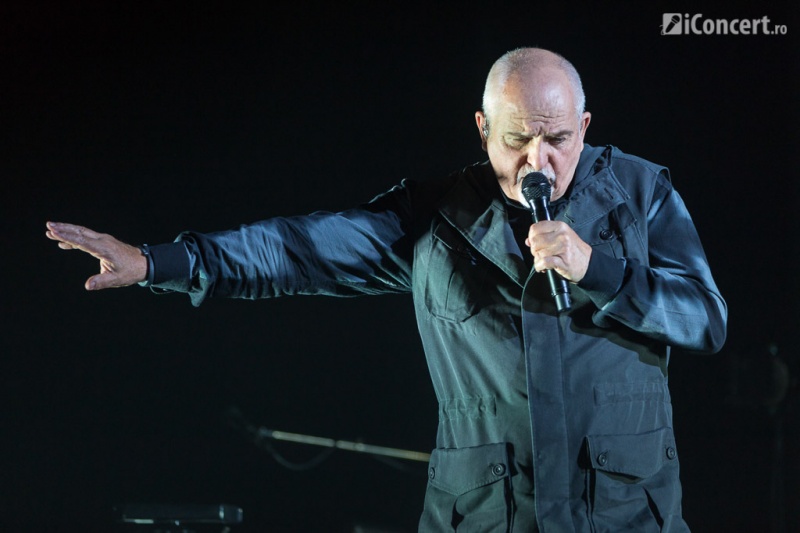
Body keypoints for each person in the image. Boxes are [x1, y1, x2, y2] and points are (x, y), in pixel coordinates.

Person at [46, 47, 727, 532]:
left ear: (585, 128)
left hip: (626, 516)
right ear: (482, 129)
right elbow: (298, 250)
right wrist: (157, 262)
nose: (537, 163)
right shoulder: (436, 217)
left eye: (557, 140)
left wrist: (598, 270)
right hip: (485, 517)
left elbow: (705, 318)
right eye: (517, 139)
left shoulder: (642, 194)